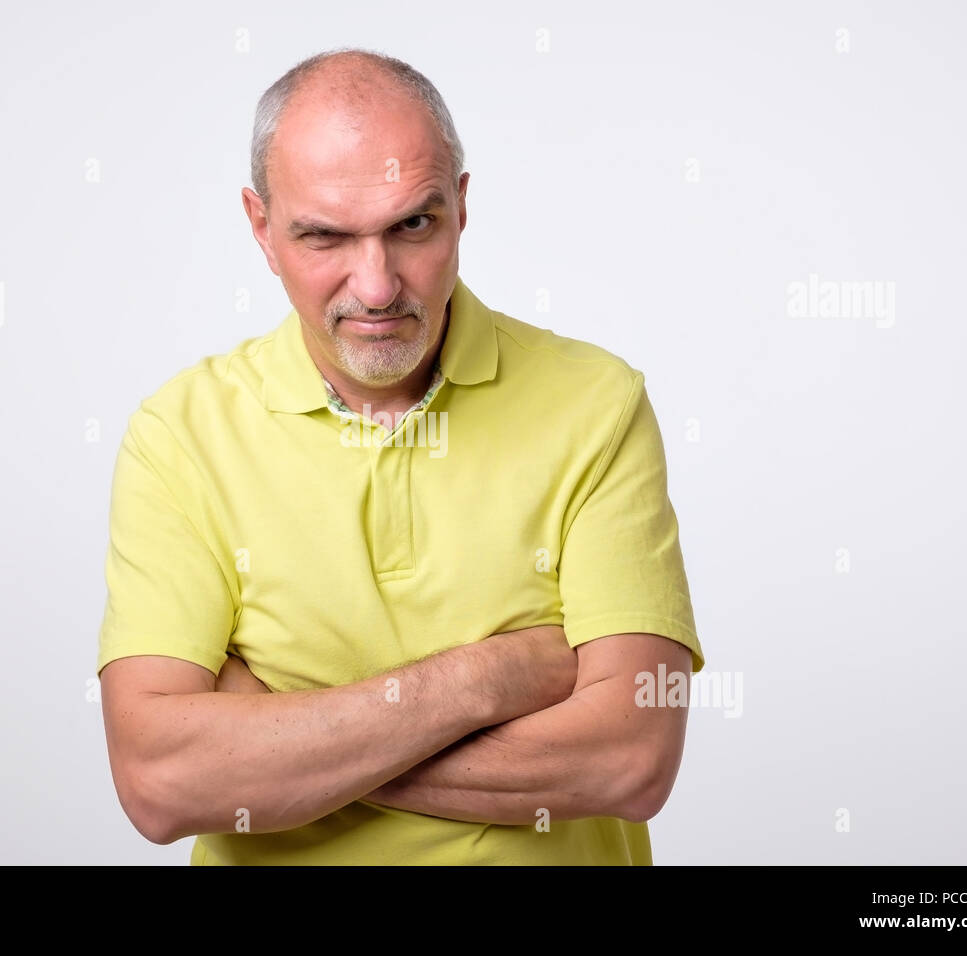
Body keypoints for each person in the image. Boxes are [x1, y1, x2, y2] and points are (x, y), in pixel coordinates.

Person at [95, 47, 704, 865]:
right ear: (261, 228)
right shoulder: (180, 435)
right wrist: (488, 679)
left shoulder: (598, 405)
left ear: (459, 206)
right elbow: (161, 782)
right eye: (324, 236)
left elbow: (629, 757)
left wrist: (284, 734)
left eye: (411, 225)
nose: (377, 287)